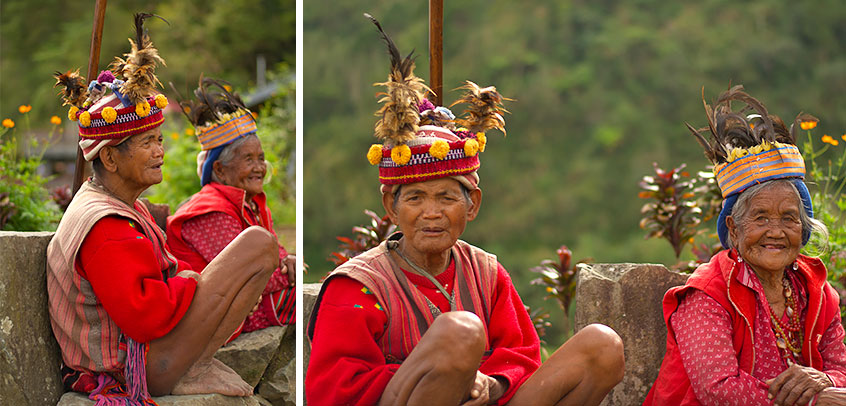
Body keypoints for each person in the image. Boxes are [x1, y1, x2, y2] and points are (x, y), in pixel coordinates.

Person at [306, 16, 624, 406]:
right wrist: (442, 368)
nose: (432, 213)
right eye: (415, 198)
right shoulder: (359, 286)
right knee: (460, 331)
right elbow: (333, 389)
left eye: (447, 197)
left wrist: (491, 383)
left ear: (472, 204)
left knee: (602, 347)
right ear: (391, 206)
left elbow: (522, 356)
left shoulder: (485, 273)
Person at [47, 14, 279, 403]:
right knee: (257, 245)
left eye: (158, 139)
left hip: (149, 353)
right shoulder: (104, 224)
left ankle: (197, 363)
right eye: (146, 143)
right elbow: (146, 315)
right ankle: (192, 368)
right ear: (110, 159)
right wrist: (193, 280)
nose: (161, 152)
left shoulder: (116, 204)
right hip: (143, 366)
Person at [644, 86, 846, 406]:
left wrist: (825, 380)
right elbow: (718, 388)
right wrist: (813, 402)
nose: (775, 232)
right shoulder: (708, 293)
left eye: (789, 218)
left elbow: (841, 370)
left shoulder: (817, 291)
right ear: (733, 229)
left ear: (803, 227)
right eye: (761, 218)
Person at [166, 78, 295, 338]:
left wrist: (288, 262)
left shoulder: (249, 203)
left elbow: (274, 259)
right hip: (214, 319)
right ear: (220, 170)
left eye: (261, 158)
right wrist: (288, 271)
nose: (259, 167)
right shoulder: (210, 211)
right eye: (248, 159)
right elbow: (246, 278)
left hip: (244, 306)